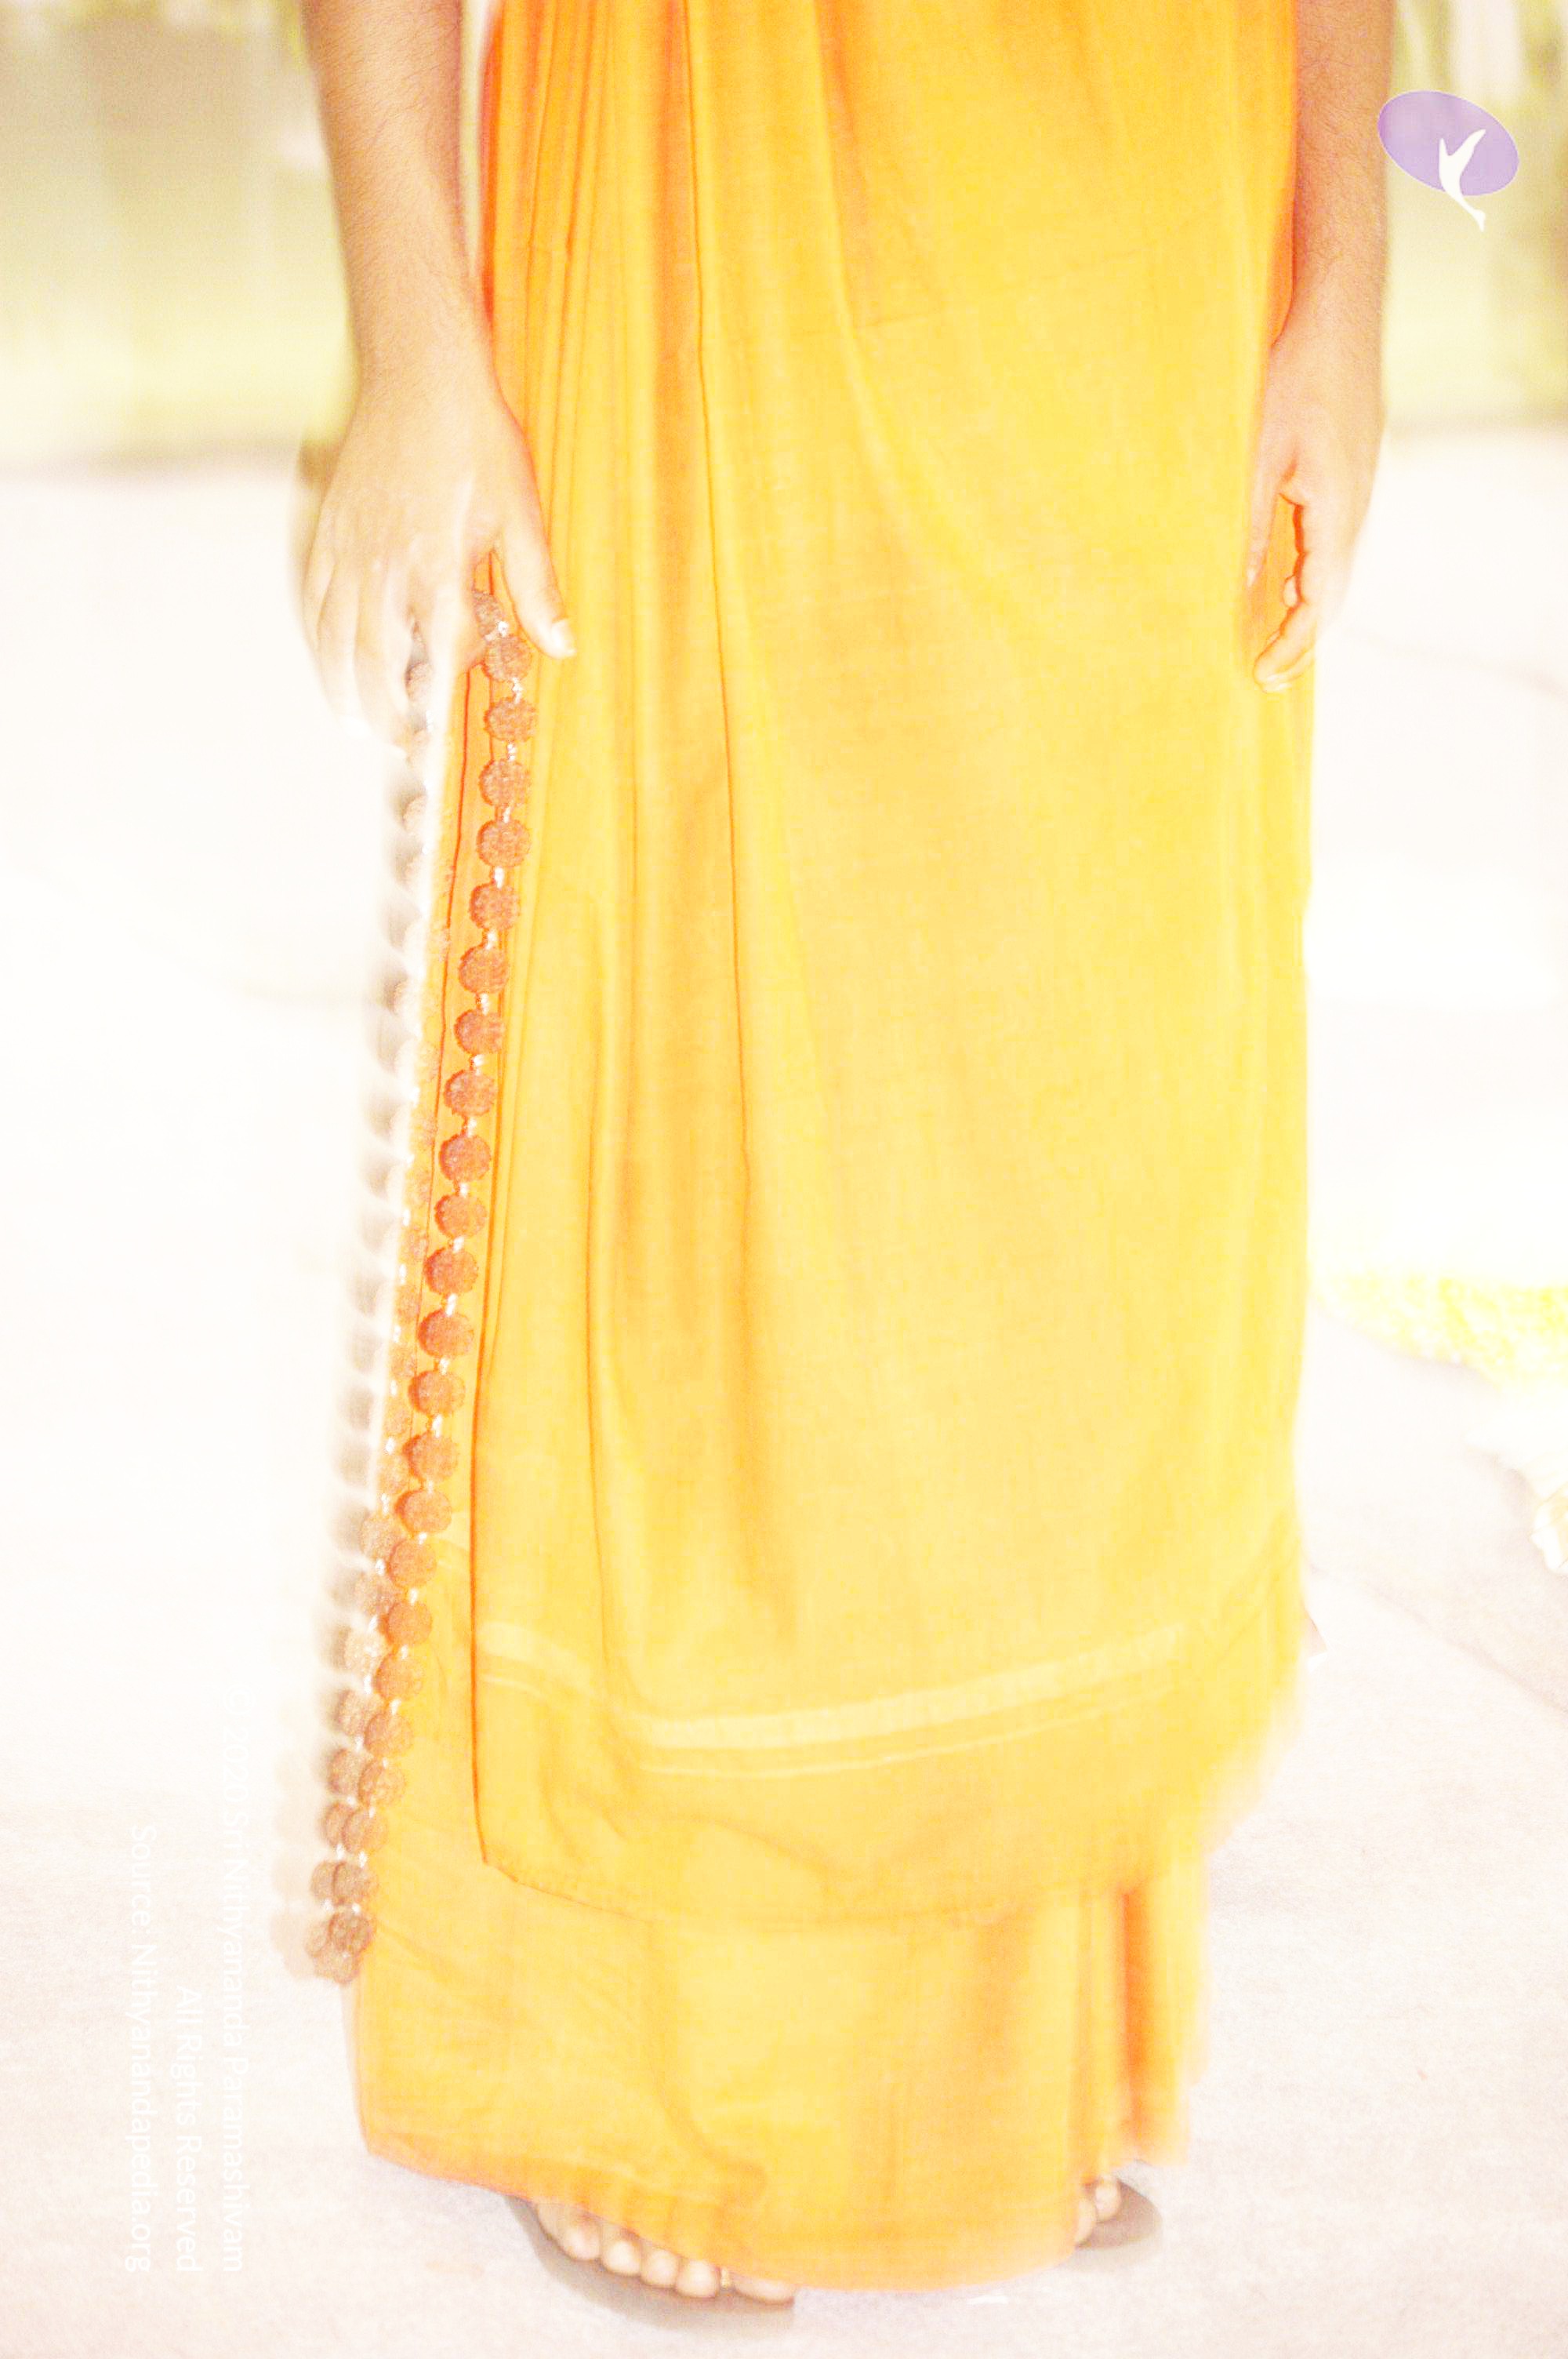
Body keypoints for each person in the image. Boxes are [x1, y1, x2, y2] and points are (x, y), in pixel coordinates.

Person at [295, 0, 1388, 2307]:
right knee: (728, 1103)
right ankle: (679, 2064)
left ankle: (987, 2056)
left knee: (1077, 1121)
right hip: (715, 204)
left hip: (1144, 259)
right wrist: (416, 336)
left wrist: (1346, 277)